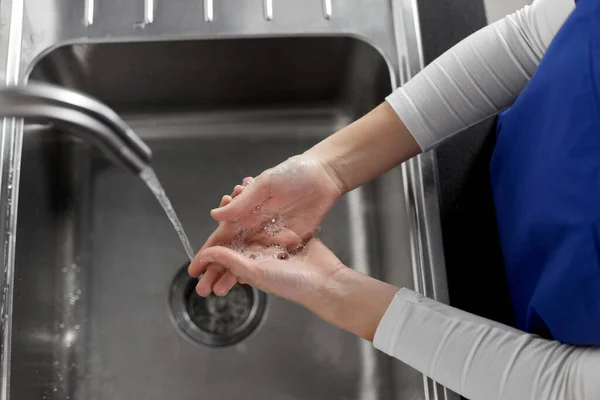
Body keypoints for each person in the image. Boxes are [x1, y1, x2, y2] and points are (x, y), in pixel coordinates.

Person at [189, 0, 600, 398]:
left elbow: (561, 385)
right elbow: (534, 38)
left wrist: (330, 286)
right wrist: (329, 167)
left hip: (517, 335)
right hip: (501, 169)